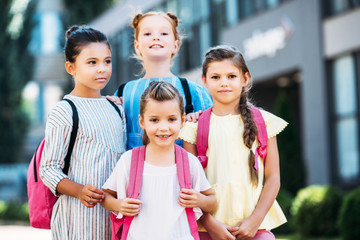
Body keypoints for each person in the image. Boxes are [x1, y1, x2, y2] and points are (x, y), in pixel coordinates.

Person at [179, 45, 288, 240]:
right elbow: (189, 184)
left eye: (231, 76)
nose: (224, 83)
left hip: (256, 228)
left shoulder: (264, 122)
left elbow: (273, 178)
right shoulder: (193, 128)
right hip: (207, 229)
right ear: (204, 81)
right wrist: (209, 223)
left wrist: (255, 220)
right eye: (215, 77)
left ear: (245, 79)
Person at [40, 25, 126, 240]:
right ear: (71, 68)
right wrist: (78, 190)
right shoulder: (65, 110)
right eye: (92, 62)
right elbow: (48, 169)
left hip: (114, 217)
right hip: (77, 220)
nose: (102, 69)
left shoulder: (116, 108)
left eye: (107, 61)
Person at [101, 81, 216, 239]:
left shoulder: (190, 163)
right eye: (154, 120)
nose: (163, 127)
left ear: (182, 120)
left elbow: (212, 201)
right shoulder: (128, 161)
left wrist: (199, 199)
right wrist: (119, 205)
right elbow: (105, 196)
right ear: (142, 121)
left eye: (171, 119)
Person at [114, 11, 213, 150]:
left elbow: (211, 139)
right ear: (137, 46)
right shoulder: (123, 93)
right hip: (134, 171)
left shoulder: (194, 91)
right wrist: (106, 105)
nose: (156, 37)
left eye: (164, 34)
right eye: (148, 34)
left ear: (175, 45)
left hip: (181, 170)